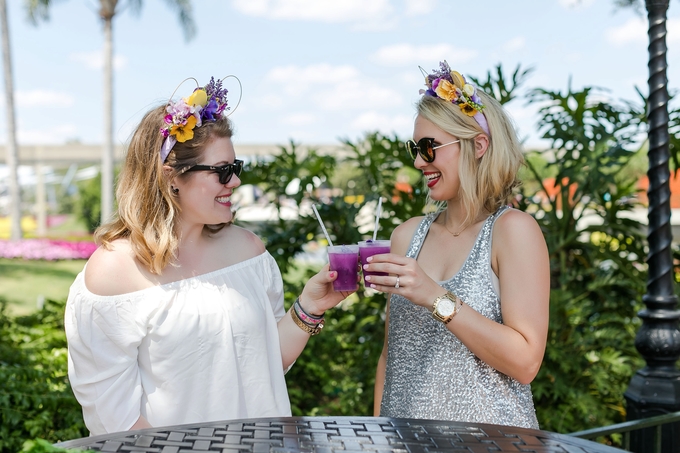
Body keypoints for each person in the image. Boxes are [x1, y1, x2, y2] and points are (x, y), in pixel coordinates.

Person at [65, 76, 351, 435]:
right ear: (172, 178)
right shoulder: (113, 272)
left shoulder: (249, 251)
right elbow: (114, 415)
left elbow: (263, 364)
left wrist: (310, 306)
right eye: (222, 172)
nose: (234, 183)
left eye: (236, 168)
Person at [366, 62, 550, 428]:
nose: (419, 161)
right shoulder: (407, 236)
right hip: (405, 441)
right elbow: (392, 356)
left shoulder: (513, 231)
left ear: (478, 145)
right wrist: (378, 435)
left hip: (490, 443)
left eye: (429, 147)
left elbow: (526, 362)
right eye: (415, 148)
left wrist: (435, 296)